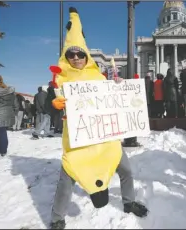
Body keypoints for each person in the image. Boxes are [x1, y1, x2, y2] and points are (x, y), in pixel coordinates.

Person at [49, 7, 148, 229]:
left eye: (80, 54)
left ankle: (129, 202)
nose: (76, 58)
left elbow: (113, 99)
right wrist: (55, 105)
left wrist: (120, 87)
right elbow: (52, 105)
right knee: (67, 179)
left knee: (126, 170)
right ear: (67, 57)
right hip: (78, 140)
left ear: (86, 56)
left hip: (105, 138)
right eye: (71, 54)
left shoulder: (98, 75)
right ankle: (57, 218)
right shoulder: (60, 80)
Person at [0, 74, 19, 156]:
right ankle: (2, 150)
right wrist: (14, 113)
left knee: (0, 133)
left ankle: (1, 150)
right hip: (8, 114)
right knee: (2, 132)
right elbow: (16, 104)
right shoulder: (9, 91)